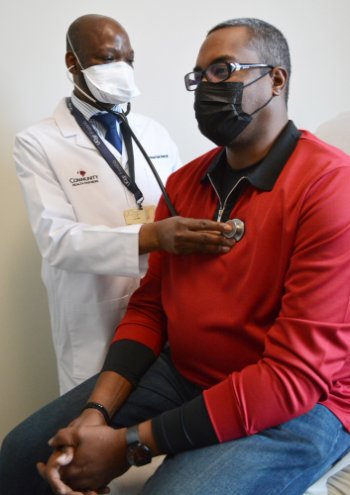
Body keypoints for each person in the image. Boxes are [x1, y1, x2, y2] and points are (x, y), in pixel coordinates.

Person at [2, 16, 350, 495]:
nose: (204, 88)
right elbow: (150, 306)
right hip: (185, 371)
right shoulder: (186, 183)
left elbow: (293, 376)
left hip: (304, 402)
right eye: (198, 76)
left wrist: (128, 446)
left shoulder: (330, 187)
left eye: (222, 70)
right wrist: (94, 415)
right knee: (22, 454)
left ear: (276, 79)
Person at [13, 14, 235, 395]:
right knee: (92, 425)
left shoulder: (153, 132)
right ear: (73, 63)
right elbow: (58, 240)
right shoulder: (37, 143)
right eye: (106, 59)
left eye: (128, 60)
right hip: (91, 315)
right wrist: (150, 237)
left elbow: (182, 201)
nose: (121, 70)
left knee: (152, 425)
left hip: (161, 308)